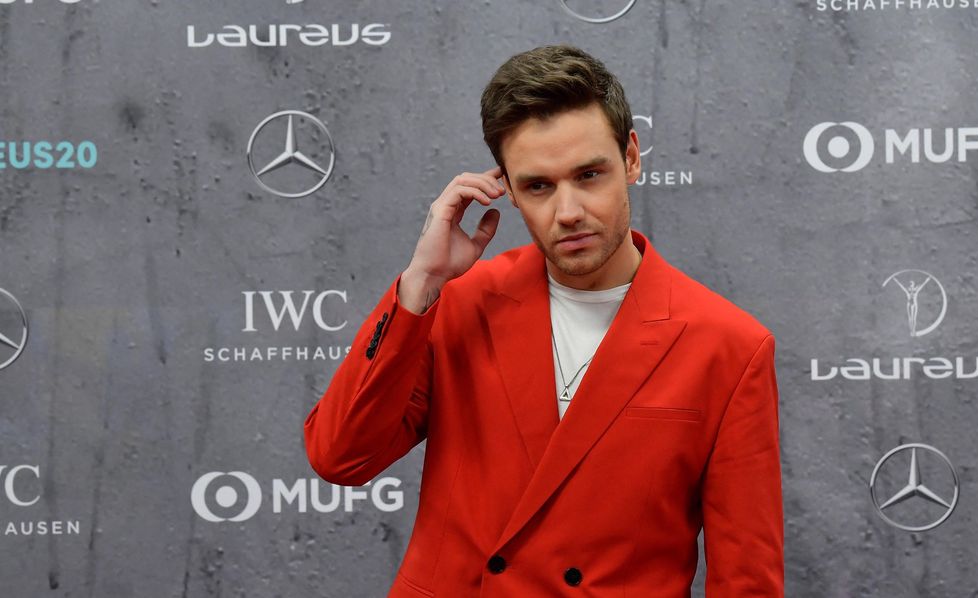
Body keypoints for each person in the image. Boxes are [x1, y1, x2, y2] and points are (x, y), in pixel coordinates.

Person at [304, 44, 784, 597]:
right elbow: (340, 457)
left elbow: (746, 579)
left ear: (631, 158)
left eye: (589, 175)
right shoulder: (460, 302)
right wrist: (419, 287)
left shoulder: (729, 346)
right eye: (538, 186)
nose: (569, 211)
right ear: (505, 187)